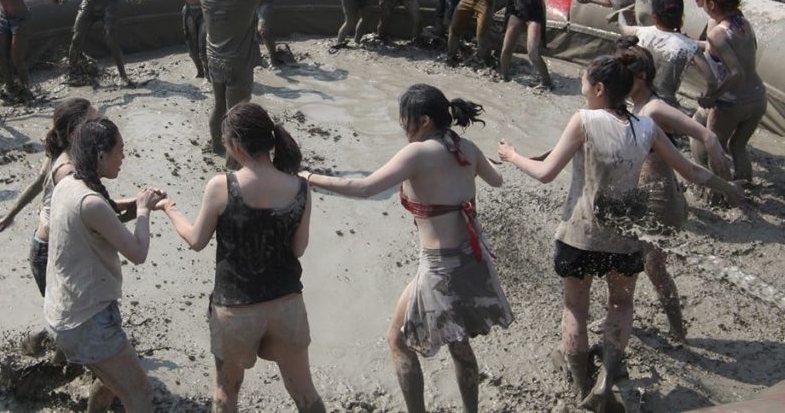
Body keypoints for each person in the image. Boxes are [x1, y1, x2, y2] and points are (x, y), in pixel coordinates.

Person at [498, 53, 743, 410]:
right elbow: (690, 171)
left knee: (576, 309)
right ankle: (606, 380)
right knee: (621, 304)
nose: (581, 88)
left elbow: (546, 172)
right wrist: (730, 188)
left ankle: (584, 386)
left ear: (598, 88)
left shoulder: (583, 119)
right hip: (625, 237)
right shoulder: (645, 127)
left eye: (583, 82)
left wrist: (512, 155)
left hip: (580, 234)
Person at [303, 85, 511, 413]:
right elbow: (497, 180)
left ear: (425, 120)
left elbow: (365, 187)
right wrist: (502, 157)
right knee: (459, 345)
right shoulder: (467, 147)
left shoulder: (417, 153)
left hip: (439, 268)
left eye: (406, 122)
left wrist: (309, 176)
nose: (404, 128)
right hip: (473, 260)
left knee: (397, 341)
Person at [156, 102, 324, 412]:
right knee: (305, 393)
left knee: (226, 393)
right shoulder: (300, 187)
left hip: (236, 310)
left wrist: (169, 209)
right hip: (287, 305)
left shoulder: (222, 186)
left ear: (234, 144)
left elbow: (196, 240)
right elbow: (299, 249)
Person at [44, 118, 163, 413]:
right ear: (100, 155)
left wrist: (137, 203)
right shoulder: (91, 203)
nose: (123, 156)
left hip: (65, 311)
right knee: (141, 394)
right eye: (120, 150)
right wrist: (145, 212)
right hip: (88, 321)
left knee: (111, 380)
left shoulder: (68, 184)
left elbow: (102, 215)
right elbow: (137, 252)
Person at [616, 38, 732, 342]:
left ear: (641, 78)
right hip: (635, 198)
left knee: (654, 267)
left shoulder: (655, 108)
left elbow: (703, 133)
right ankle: (621, 314)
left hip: (660, 199)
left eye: (622, 76)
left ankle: (678, 331)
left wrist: (718, 155)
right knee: (624, 259)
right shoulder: (633, 104)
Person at [0, 99, 118, 299]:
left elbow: (37, 185)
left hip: (48, 244)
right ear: (74, 133)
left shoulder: (63, 152)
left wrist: (8, 216)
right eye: (95, 122)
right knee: (71, 314)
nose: (102, 127)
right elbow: (96, 218)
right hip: (51, 251)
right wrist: (142, 210)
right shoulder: (69, 170)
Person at [195, 0, 278, 159]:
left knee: (219, 106)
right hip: (238, 63)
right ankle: (233, 168)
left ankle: (216, 146)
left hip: (214, 59)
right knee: (237, 116)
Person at [691, 0, 767, 186]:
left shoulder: (718, 34)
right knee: (738, 146)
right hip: (758, 98)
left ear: (712, 4)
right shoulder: (744, 23)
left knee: (715, 146)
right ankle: (746, 189)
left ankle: (720, 194)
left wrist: (712, 97)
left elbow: (735, 73)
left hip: (732, 102)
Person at [617, 0, 704, 109]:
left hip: (636, 103)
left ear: (654, 16)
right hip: (665, 107)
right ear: (681, 16)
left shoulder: (640, 32)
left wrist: (620, 13)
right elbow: (712, 81)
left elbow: (623, 27)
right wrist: (708, 98)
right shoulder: (689, 46)